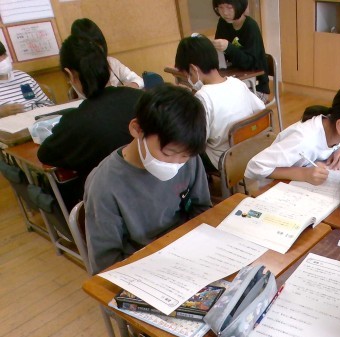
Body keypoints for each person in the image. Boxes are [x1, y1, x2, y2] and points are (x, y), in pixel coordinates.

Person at [84, 84, 211, 275]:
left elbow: (201, 209)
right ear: (137, 129)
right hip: (141, 267)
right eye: (167, 153)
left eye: (184, 156)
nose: (176, 164)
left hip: (185, 251)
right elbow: (106, 264)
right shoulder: (105, 185)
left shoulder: (188, 157)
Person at [38, 35, 142, 210]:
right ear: (108, 67)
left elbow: (45, 154)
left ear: (70, 74)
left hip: (109, 205)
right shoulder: (143, 99)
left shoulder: (75, 122)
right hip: (157, 193)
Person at [244, 81, 340, 186]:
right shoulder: (304, 139)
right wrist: (303, 174)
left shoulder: (333, 125)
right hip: (274, 190)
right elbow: (255, 167)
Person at [174, 33, 264, 171]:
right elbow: (261, 109)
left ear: (193, 69)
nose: (189, 79)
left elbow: (197, 142)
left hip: (224, 160)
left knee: (186, 150)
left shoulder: (203, 97)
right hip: (249, 150)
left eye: (188, 75)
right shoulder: (237, 83)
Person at [212, 0, 270, 101]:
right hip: (235, 82)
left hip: (256, 88)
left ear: (239, 6)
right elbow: (221, 54)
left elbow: (251, 64)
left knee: (228, 105)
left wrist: (229, 48)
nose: (225, 12)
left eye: (229, 7)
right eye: (220, 7)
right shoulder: (223, 23)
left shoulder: (251, 27)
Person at [71, 18, 144, 89]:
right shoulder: (77, 74)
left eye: (98, 43)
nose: (96, 50)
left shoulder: (112, 62)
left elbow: (139, 80)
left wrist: (129, 87)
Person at [0, 42, 53, 117]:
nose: (3, 60)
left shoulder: (23, 76)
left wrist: (35, 115)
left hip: (37, 120)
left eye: (4, 55)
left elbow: (47, 103)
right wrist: (2, 113)